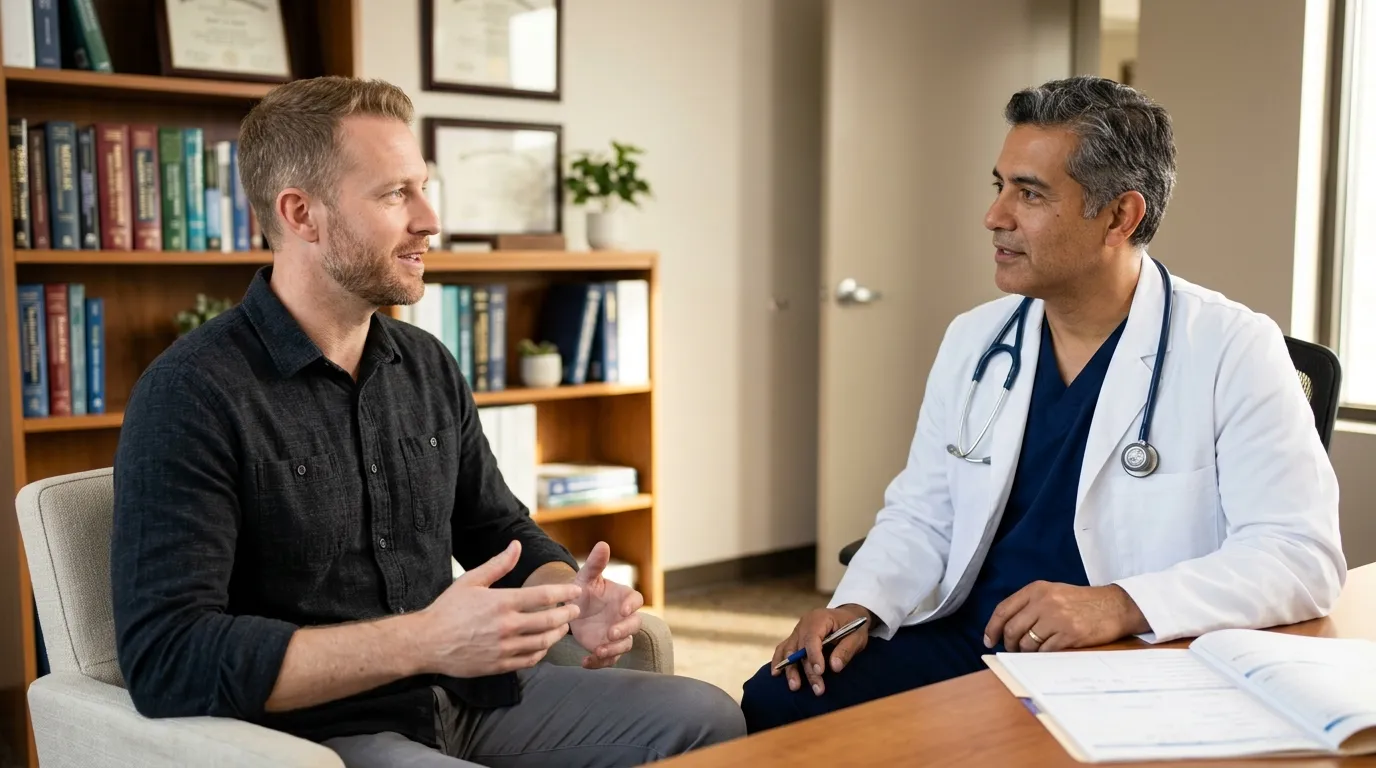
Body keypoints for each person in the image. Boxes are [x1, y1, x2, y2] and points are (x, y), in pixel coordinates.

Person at [110, 76, 745, 767]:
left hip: (472, 698)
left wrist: (564, 594)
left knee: (708, 718)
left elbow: (494, 527)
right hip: (325, 733)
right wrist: (423, 640)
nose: (430, 219)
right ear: (301, 214)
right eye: (395, 194)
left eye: (423, 187)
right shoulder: (191, 392)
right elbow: (168, 657)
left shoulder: (426, 363)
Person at [741, 75, 1347, 733]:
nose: (994, 216)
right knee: (779, 698)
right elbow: (924, 512)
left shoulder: (1232, 347)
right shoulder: (975, 338)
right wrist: (859, 605)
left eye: (1029, 194)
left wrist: (1119, 604)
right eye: (999, 185)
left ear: (1120, 216)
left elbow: (1300, 557)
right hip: (973, 637)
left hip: (1122, 655)